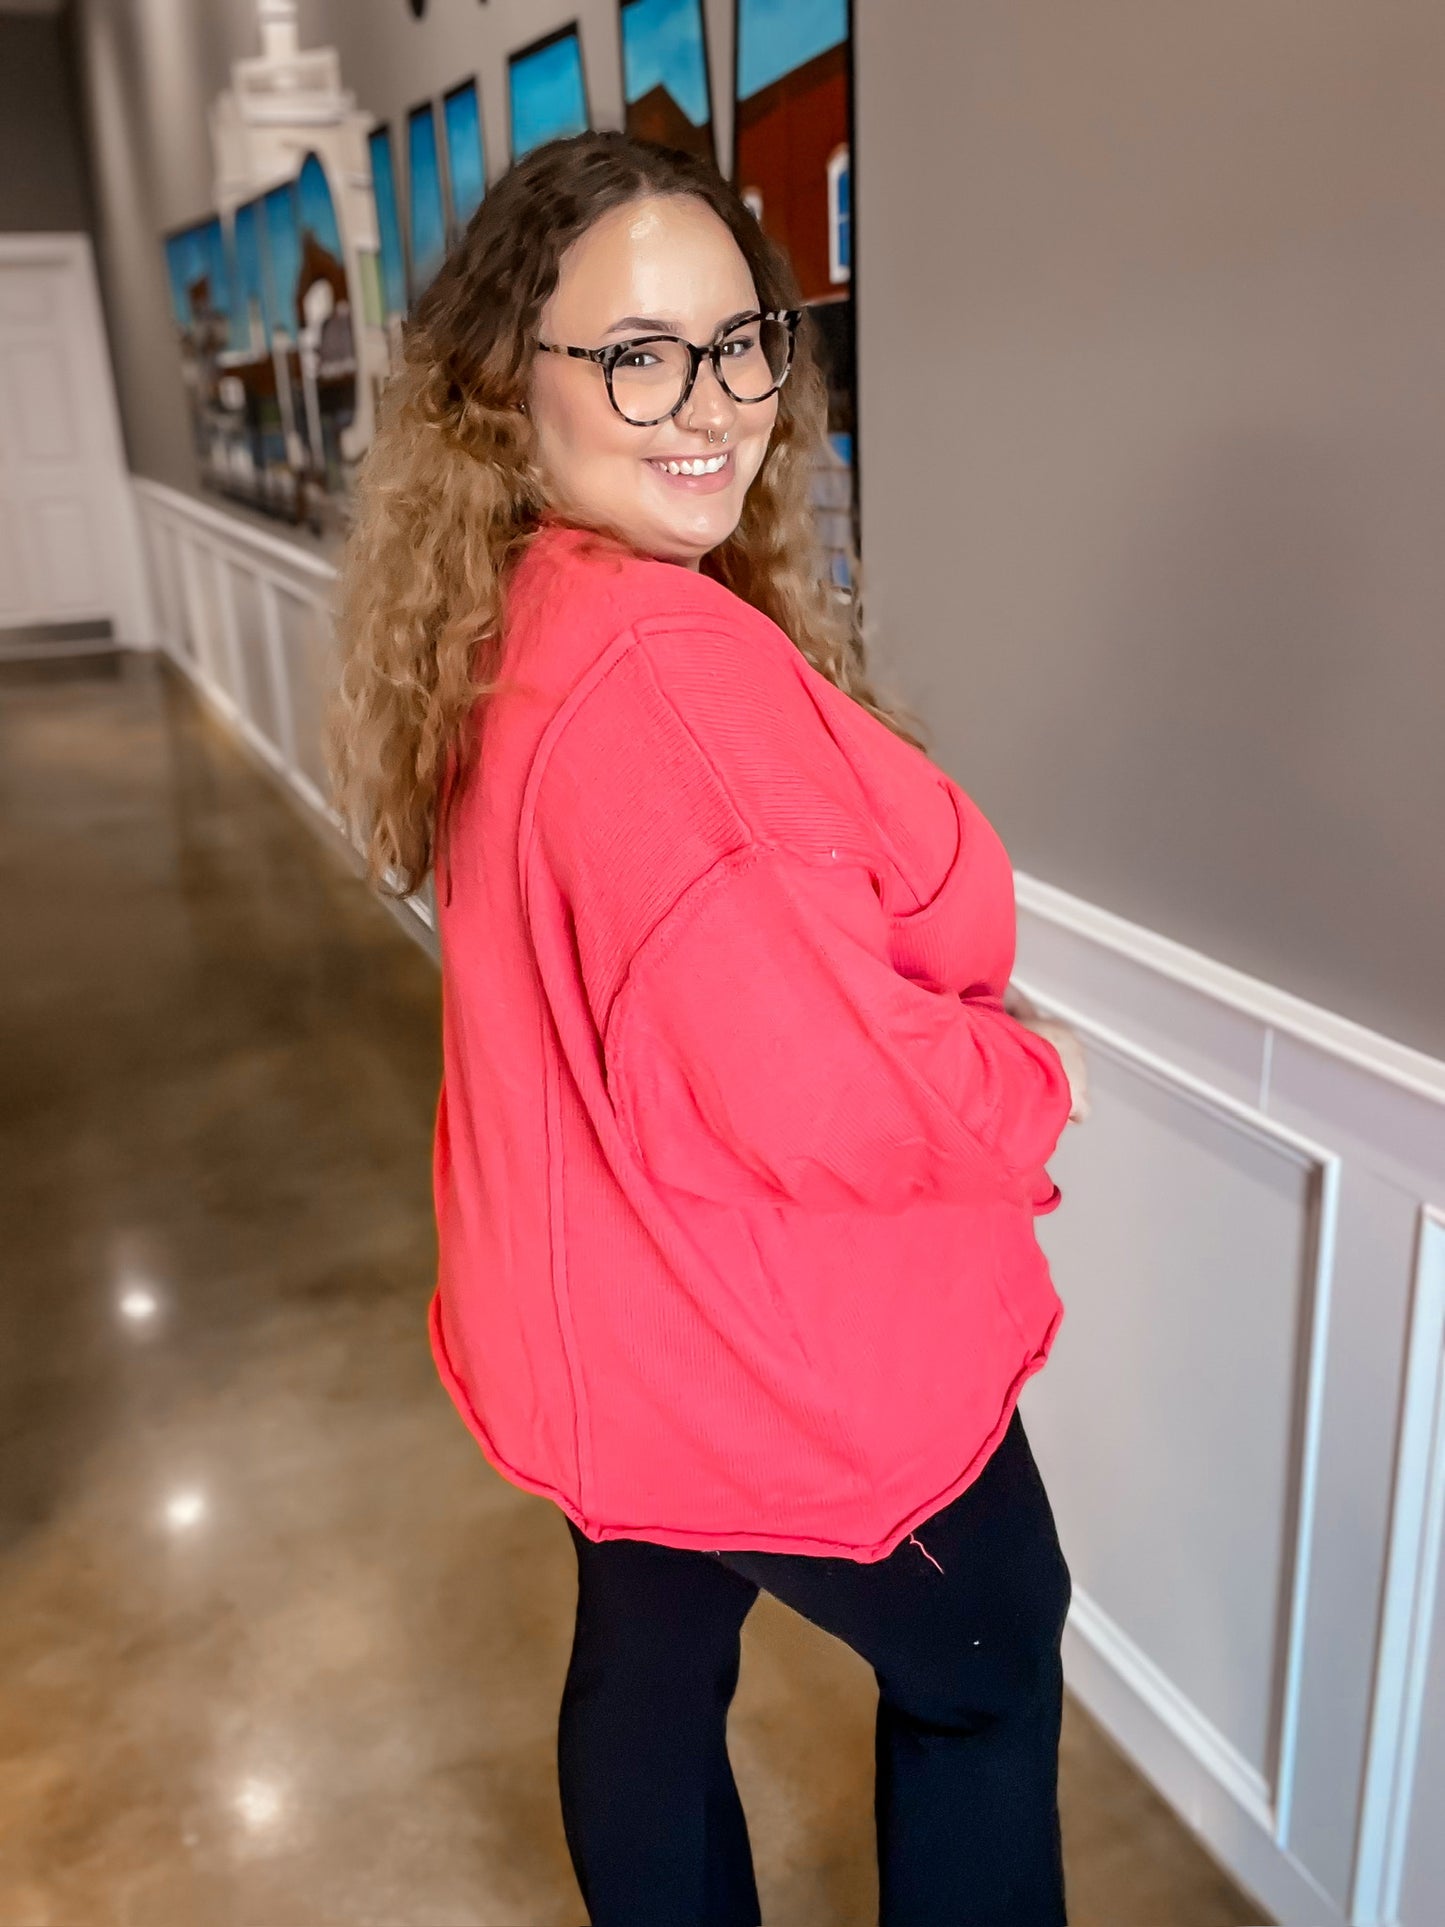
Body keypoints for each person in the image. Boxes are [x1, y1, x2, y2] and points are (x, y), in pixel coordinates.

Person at [329, 129, 1090, 1927]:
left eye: (742, 341)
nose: (717, 405)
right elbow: (819, 1082)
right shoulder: (667, 676)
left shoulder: (518, 612)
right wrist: (1026, 1074)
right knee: (985, 1665)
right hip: (766, 1339)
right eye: (638, 355)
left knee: (649, 1662)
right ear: (507, 395)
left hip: (620, 1330)